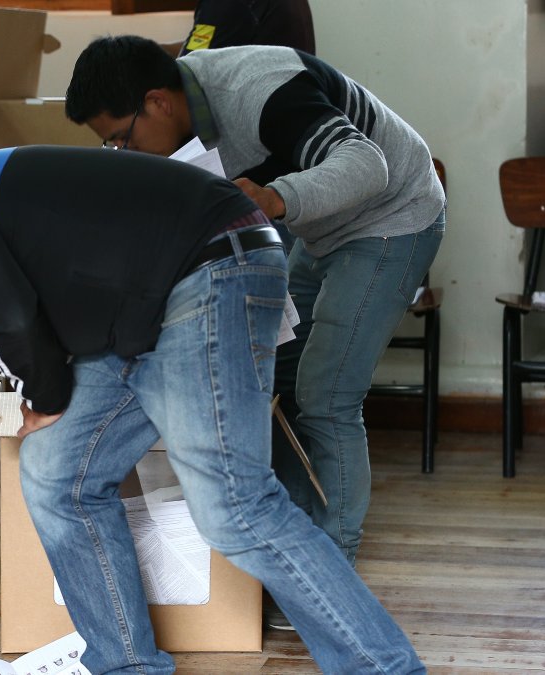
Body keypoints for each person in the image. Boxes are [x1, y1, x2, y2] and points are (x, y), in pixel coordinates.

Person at [0, 146, 425, 674]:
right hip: (139, 312)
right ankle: (126, 666)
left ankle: (384, 668)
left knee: (235, 506)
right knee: (57, 476)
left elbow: (10, 315)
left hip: (208, 266)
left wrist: (43, 396)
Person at [65, 37, 445, 574]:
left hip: (392, 217)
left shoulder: (259, 89)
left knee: (326, 394)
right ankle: (297, 543)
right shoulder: (179, 117)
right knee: (271, 381)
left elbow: (367, 164)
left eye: (121, 139)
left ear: (157, 102)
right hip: (319, 230)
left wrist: (272, 198)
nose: (124, 154)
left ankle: (330, 571)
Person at [161, 0, 315, 57]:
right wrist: (148, 51)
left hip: (254, 122)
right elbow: (200, 44)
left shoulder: (224, 4)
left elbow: (188, 74)